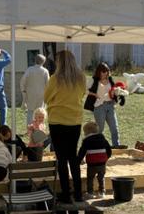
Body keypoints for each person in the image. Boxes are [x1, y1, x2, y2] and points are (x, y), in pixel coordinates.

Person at [44, 50, 86, 203]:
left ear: (60, 62)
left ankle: (66, 194)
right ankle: (79, 193)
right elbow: (82, 95)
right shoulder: (81, 77)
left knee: (61, 158)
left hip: (57, 121)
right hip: (74, 121)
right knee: (73, 157)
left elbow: (46, 97)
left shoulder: (55, 78)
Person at [87, 62, 121, 147]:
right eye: (103, 71)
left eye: (106, 71)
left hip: (110, 106)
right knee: (99, 129)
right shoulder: (94, 80)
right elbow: (86, 90)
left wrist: (115, 93)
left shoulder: (110, 80)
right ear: (99, 72)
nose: (105, 73)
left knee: (114, 128)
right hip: (99, 107)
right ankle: (95, 146)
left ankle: (116, 147)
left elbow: (113, 91)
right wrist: (94, 94)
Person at [77, 122, 112, 199]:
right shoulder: (103, 139)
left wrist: (79, 160)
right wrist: (106, 158)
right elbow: (109, 150)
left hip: (92, 163)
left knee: (90, 178)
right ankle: (101, 192)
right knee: (101, 177)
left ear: (86, 132)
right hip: (102, 162)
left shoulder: (86, 140)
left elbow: (82, 152)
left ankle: (90, 193)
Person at [20, 54, 50, 124]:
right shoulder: (45, 71)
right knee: (40, 111)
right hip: (41, 94)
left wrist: (23, 90)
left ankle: (30, 128)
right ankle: (39, 128)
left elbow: (23, 80)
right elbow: (48, 83)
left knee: (30, 111)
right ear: (43, 62)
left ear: (35, 60)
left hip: (30, 94)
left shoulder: (29, 69)